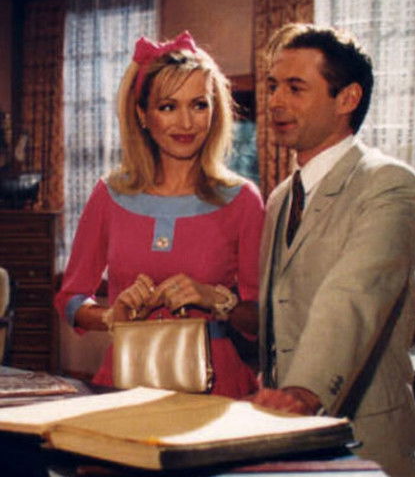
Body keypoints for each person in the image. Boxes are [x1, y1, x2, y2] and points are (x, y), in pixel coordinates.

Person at [249, 23, 415, 477]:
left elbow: (354, 294)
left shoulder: (388, 184)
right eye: (273, 86)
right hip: (288, 443)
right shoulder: (280, 198)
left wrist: (303, 391)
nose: (275, 102)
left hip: (366, 446)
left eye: (295, 88)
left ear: (347, 98)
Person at [55, 31, 264, 398]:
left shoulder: (243, 199)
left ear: (214, 111)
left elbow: (263, 319)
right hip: (126, 378)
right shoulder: (109, 194)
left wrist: (217, 300)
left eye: (198, 105)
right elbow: (70, 299)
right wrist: (110, 316)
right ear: (143, 115)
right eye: (168, 107)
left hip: (215, 385)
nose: (186, 123)